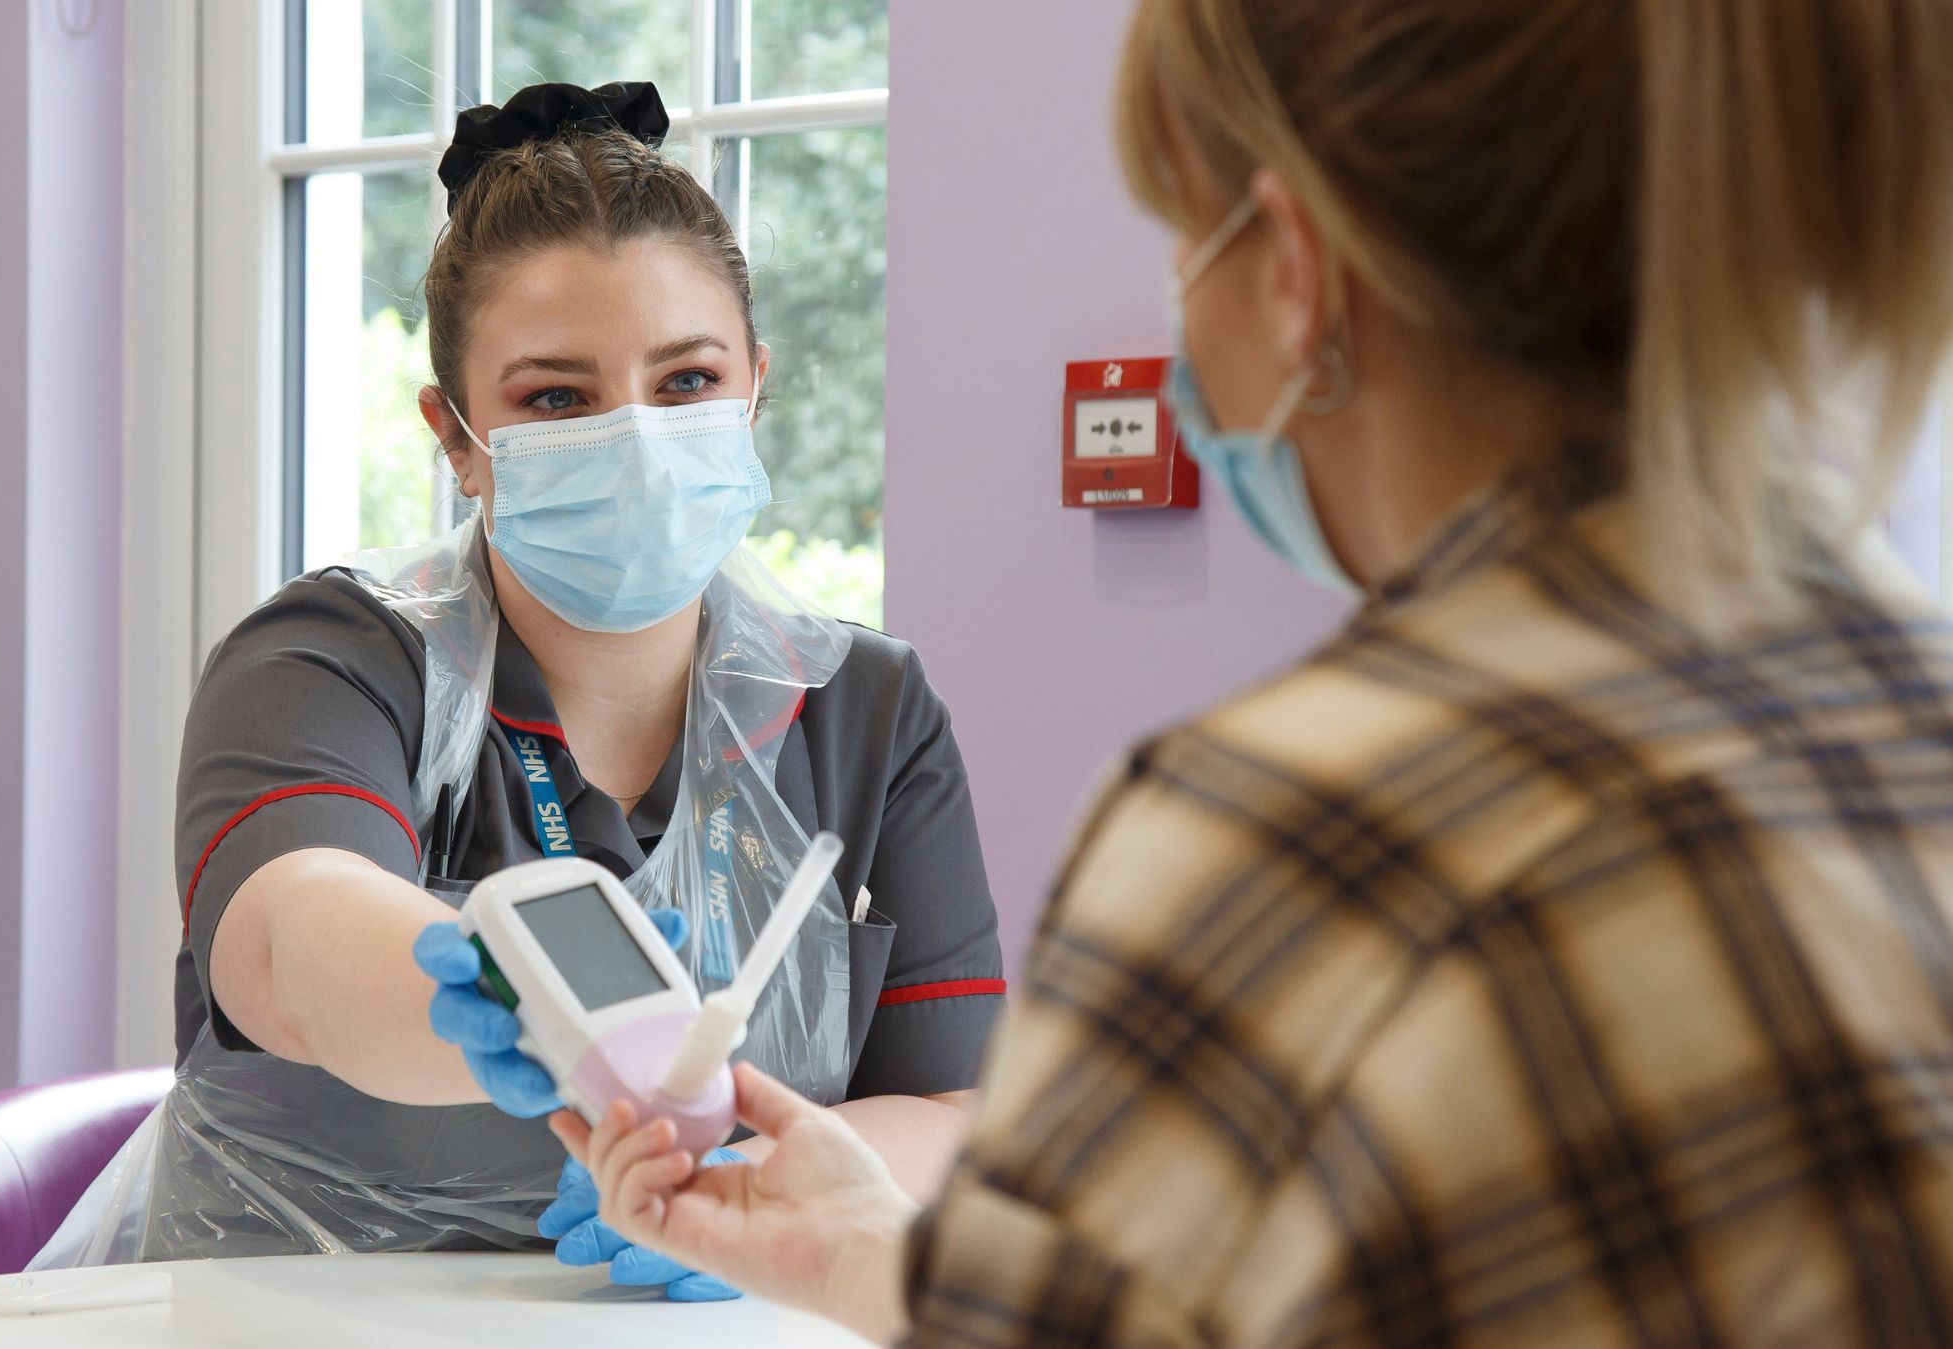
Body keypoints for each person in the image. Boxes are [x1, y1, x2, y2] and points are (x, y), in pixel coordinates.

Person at [562, 0, 1953, 1342]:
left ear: (1291, 266)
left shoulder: (1303, 822)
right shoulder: (1900, 707)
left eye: (1182, 240)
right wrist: (878, 1258)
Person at [30, 82, 1005, 1301]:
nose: (637, 436)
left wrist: (772, 1177)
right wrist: (482, 991)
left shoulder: (865, 705)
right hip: (293, 1317)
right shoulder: (330, 656)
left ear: (755, 383)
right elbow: (285, 938)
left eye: (688, 380)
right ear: (454, 435)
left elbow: (960, 1109)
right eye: (556, 398)